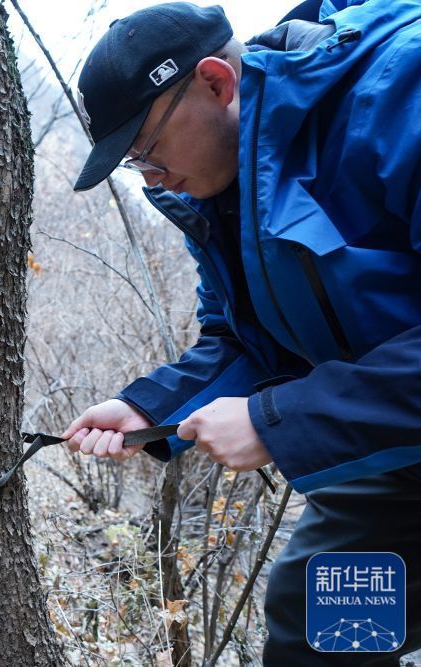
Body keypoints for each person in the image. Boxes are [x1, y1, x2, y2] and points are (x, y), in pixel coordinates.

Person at [62, 1, 420, 664]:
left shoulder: (399, 91)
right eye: (132, 165)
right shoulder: (218, 193)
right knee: (321, 614)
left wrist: (276, 420)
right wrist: (153, 408)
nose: (152, 177)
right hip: (399, 444)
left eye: (146, 150)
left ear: (217, 83)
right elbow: (245, 336)